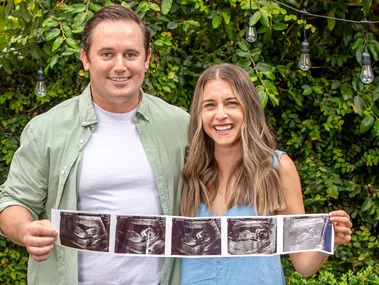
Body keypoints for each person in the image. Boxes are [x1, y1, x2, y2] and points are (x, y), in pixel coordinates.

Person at [0, 5, 189, 285]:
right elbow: (12, 202)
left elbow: (229, 171)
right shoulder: (46, 130)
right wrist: (26, 229)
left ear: (147, 59)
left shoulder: (180, 125)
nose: (120, 65)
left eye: (131, 54)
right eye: (107, 54)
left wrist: (278, 163)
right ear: (85, 59)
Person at [179, 63, 352, 284]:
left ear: (248, 108)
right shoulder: (188, 172)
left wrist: (329, 240)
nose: (220, 114)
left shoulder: (277, 168)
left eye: (231, 103)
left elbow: (302, 263)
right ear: (199, 114)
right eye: (210, 105)